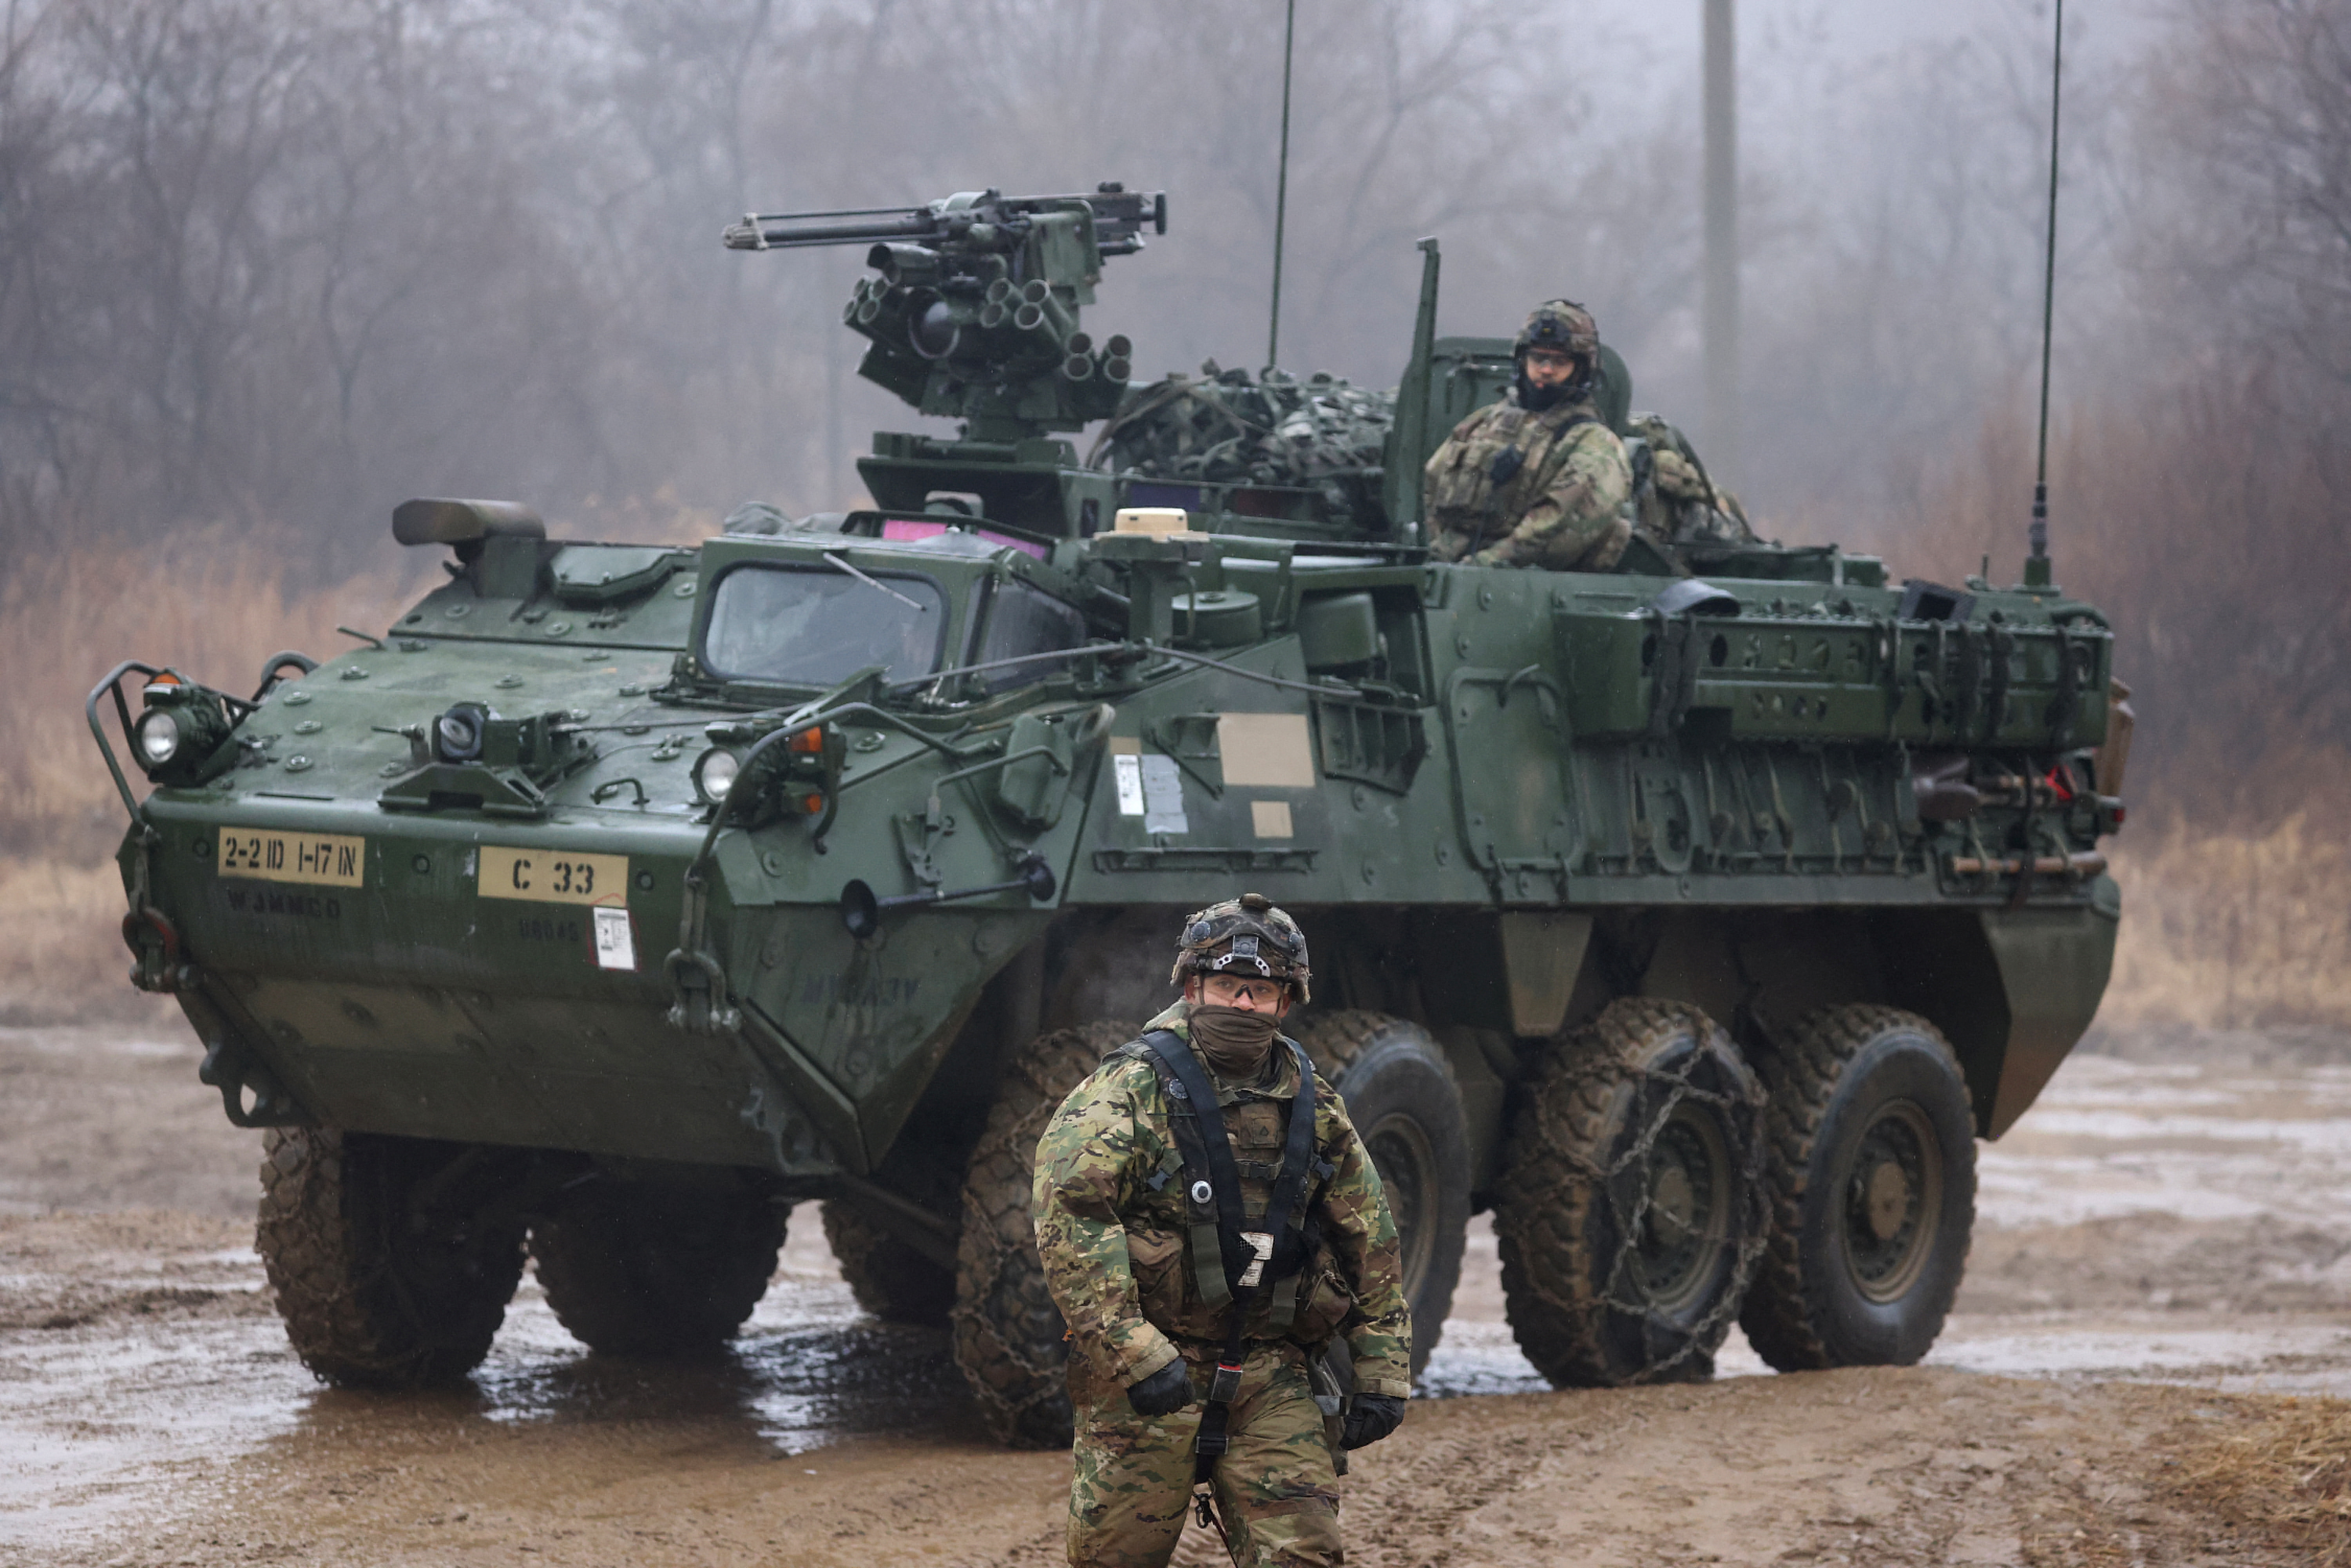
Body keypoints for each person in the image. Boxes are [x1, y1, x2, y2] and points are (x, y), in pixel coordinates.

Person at [1034, 894, 1411, 1568]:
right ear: (1191, 986)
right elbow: (1072, 1218)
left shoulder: (1313, 1103)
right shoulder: (1127, 1091)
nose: (1243, 1003)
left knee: (1305, 1555)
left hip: (1272, 1371)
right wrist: (1132, 1352)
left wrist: (1382, 1367)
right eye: (1228, 986)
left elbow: (1368, 1233)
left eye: (1262, 990)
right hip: (1155, 1371)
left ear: (1286, 1001)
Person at [1423, 298, 1635, 570]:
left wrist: (1483, 565)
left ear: (1581, 368)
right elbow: (1430, 488)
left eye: (1560, 362)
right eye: (1538, 358)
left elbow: (1554, 527)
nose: (1546, 370)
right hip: (1452, 568)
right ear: (1523, 360)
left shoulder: (1593, 443)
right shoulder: (1484, 422)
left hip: (1521, 582)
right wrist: (1440, 556)